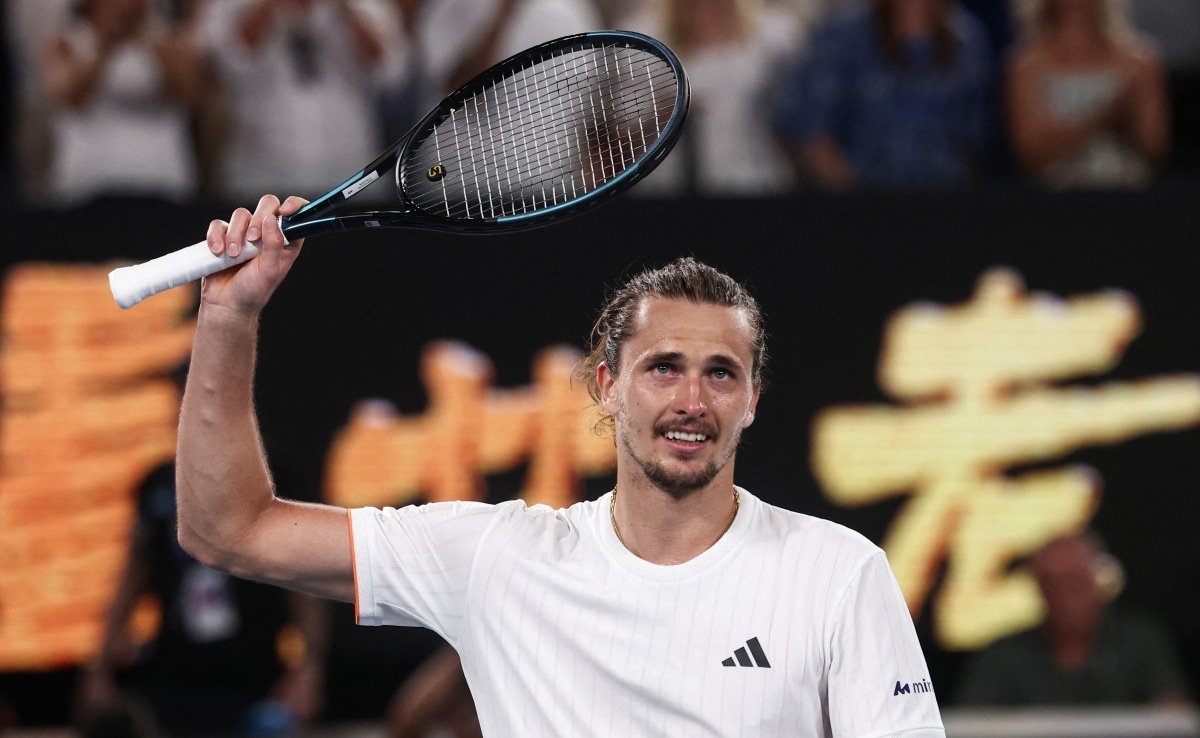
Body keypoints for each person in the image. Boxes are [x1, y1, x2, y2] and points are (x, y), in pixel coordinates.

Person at [174, 194, 946, 736]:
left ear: (751, 400)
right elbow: (228, 529)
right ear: (607, 387)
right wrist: (227, 316)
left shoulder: (839, 574)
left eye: (721, 374)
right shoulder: (499, 560)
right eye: (663, 368)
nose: (691, 400)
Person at [79, 455, 330, 738]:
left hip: (253, 672)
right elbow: (130, 579)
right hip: (174, 674)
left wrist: (308, 669)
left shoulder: (273, 478)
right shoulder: (159, 483)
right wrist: (99, 671)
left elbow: (300, 584)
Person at [772, 0, 996, 191]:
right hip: (861, 213)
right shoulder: (844, 35)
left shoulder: (967, 38)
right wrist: (853, 199)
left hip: (944, 210)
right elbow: (807, 127)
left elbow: (972, 138)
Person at [955, 532, 1193, 707]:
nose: (1064, 597)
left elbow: (1173, 716)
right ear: (1038, 589)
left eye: (1074, 581)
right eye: (1051, 584)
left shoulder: (1141, 641)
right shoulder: (1004, 654)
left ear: (1098, 582)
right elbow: (974, 723)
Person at [39, 0, 205, 203]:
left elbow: (190, 96)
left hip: (162, 184)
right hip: (85, 187)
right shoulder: (64, 44)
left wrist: (142, 39)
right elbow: (71, 98)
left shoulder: (168, 43)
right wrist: (108, 45)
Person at [1004, 0, 1171, 189]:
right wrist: (1104, 118)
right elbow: (1031, 153)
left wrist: (1129, 119)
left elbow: (1154, 148)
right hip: (1056, 202)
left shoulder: (1140, 61)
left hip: (1128, 195)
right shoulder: (1025, 66)